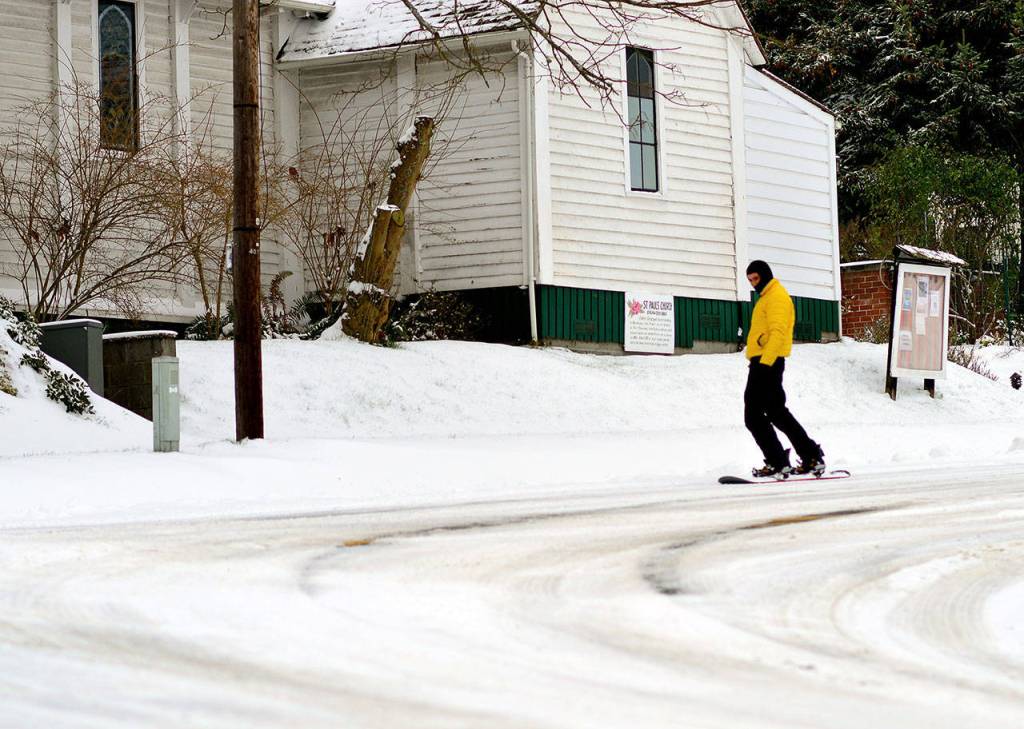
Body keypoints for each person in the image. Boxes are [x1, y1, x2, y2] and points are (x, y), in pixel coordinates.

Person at [743, 260, 825, 478]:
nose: (753, 284)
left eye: (756, 279)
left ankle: (778, 461)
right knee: (777, 413)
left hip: (767, 362)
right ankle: (810, 457)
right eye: (750, 280)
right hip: (766, 361)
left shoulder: (776, 297)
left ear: (766, 275)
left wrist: (764, 363)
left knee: (753, 416)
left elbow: (778, 332)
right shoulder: (768, 297)